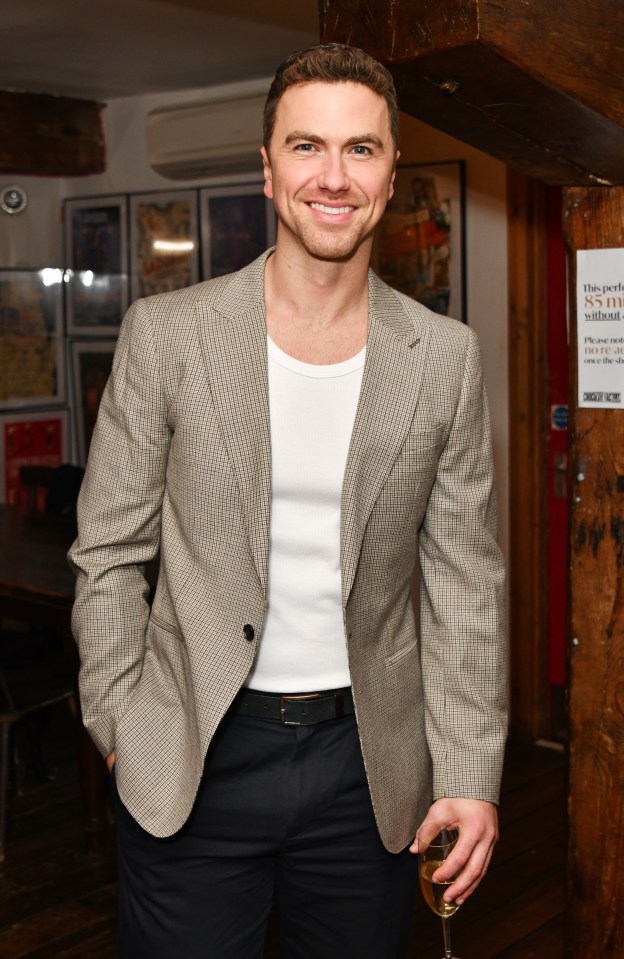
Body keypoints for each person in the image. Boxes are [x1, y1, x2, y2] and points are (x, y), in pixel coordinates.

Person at [69, 42, 507, 959]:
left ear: (392, 172)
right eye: (307, 147)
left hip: (369, 772)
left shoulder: (446, 359)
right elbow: (108, 553)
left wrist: (469, 772)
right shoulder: (170, 336)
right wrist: (119, 724)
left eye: (361, 149)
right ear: (268, 170)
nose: (334, 176)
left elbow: (464, 580)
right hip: (191, 754)